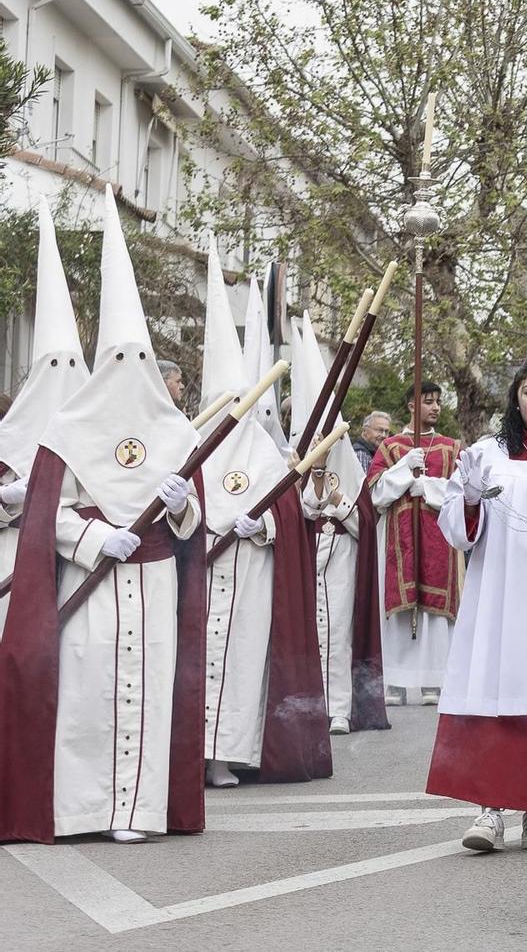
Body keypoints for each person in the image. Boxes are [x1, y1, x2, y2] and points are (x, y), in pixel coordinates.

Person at [0, 187, 205, 844]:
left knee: (149, 689)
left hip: (153, 582)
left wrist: (181, 508)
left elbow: (194, 518)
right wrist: (92, 535)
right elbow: (43, 513)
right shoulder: (68, 426)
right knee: (86, 690)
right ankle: (83, 808)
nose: (128, 369)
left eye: (139, 359)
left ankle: (138, 811)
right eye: (118, 358)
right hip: (91, 581)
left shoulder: (176, 431)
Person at [431, 353, 527, 852]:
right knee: (496, 689)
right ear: (516, 399)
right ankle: (490, 811)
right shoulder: (487, 454)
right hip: (499, 593)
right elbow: (457, 530)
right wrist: (470, 498)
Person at [193, 241, 330, 788]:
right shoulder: (187, 443)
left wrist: (265, 524)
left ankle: (225, 754)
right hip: (198, 567)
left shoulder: (264, 450)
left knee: (241, 663)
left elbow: (287, 509)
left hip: (249, 571)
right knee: (188, 662)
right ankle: (188, 754)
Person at [289, 314, 387, 737]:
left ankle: (340, 708)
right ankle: (307, 706)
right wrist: (312, 492)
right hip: (306, 561)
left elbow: (366, 523)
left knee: (339, 632)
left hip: (343, 562)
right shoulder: (292, 466)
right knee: (306, 631)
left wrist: (340, 503)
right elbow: (292, 512)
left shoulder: (353, 473)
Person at [0, 199, 91, 628]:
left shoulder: (99, 431)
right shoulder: (8, 434)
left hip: (78, 566)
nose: (63, 380)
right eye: (53, 367)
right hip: (11, 560)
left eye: (72, 366)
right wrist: (5, 499)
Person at [366, 381, 461, 704]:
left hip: (437, 539)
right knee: (399, 610)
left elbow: (464, 492)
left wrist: (431, 488)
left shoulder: (451, 448)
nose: (435, 407)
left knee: (435, 616)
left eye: (438, 401)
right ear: (411, 406)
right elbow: (376, 495)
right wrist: (404, 470)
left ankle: (435, 680)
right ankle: (395, 681)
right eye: (428, 401)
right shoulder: (391, 447)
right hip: (399, 538)